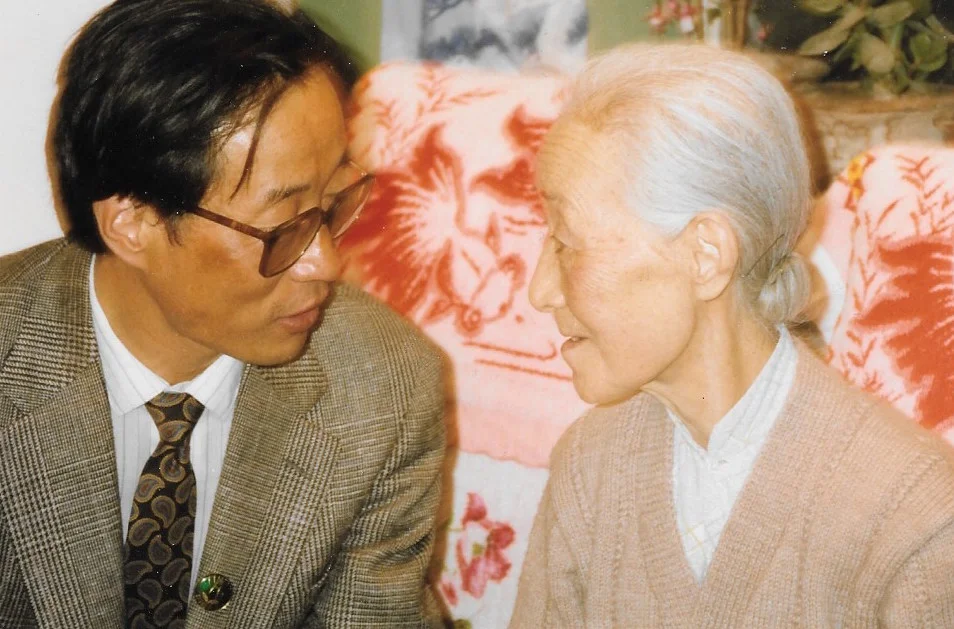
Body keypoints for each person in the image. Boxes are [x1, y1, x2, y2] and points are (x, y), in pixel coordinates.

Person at [0, 1, 446, 627]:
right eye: (282, 225)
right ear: (134, 223)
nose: (325, 263)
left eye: (332, 203)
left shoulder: (383, 387)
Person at [510, 44, 954, 627]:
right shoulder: (591, 466)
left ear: (706, 254)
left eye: (567, 242)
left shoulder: (914, 519)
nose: (539, 291)